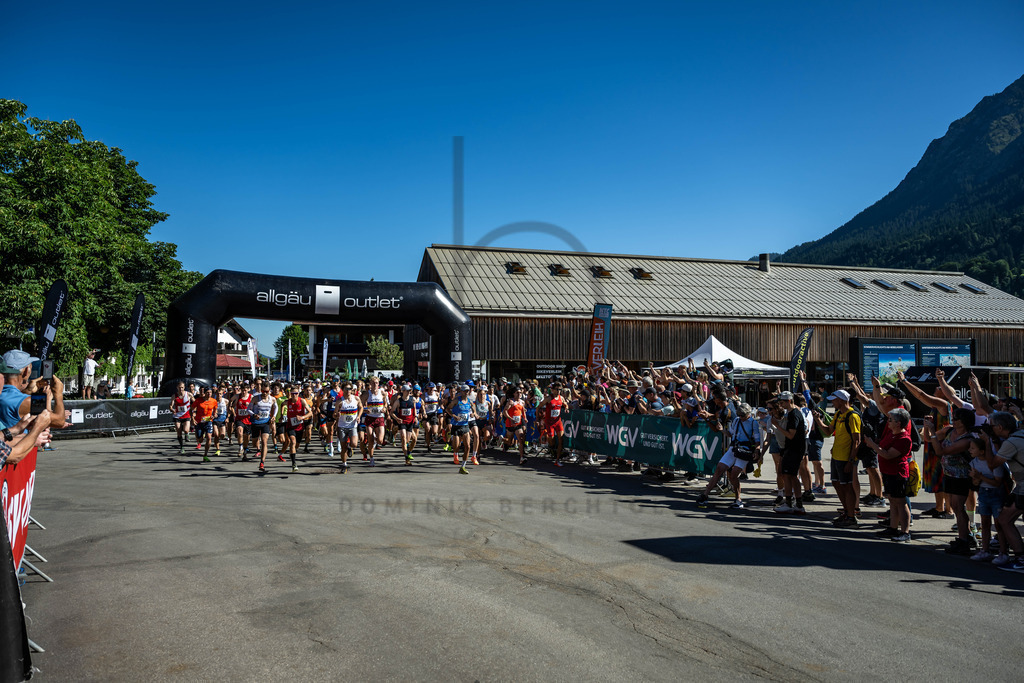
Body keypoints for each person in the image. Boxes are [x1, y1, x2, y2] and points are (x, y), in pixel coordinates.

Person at [923, 407, 978, 555]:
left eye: (956, 418)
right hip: (949, 474)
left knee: (959, 507)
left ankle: (964, 540)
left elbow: (940, 451)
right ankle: (964, 537)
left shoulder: (967, 439)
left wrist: (933, 431)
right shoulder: (949, 430)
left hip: (962, 476)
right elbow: (928, 439)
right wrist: (927, 427)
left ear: (964, 421)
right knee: (954, 505)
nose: (953, 419)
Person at [695, 403, 761, 509]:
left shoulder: (753, 423)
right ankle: (705, 495)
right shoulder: (736, 420)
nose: (741, 417)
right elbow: (730, 434)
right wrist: (722, 430)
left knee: (734, 475)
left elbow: (757, 441)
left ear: (749, 414)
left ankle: (738, 499)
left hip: (745, 451)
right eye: (740, 415)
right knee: (719, 469)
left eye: (743, 415)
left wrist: (757, 452)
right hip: (734, 448)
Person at [863, 408, 914, 542]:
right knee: (892, 500)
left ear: (898, 423)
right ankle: (893, 527)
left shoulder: (904, 438)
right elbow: (882, 447)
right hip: (888, 472)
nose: (888, 422)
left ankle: (905, 531)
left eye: (890, 419)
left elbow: (887, 454)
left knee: (901, 502)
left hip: (897, 473)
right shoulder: (891, 434)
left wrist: (872, 444)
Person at [813, 389, 861, 528]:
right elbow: (828, 431)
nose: (832, 402)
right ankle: (847, 512)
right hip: (836, 456)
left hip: (845, 458)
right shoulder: (839, 414)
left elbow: (856, 441)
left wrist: (851, 461)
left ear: (842, 400)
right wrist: (818, 420)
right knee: (836, 483)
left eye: (834, 399)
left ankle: (851, 517)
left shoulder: (852, 416)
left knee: (847, 486)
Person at [988, 411, 1024, 571]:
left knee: (1005, 520)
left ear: (1000, 427)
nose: (990, 429)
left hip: (1023, 488)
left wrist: (986, 441)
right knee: (1005, 518)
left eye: (992, 427)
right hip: (1020, 487)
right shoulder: (1021, 434)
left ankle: (1021, 558)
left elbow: (993, 464)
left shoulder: (1011, 443)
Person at [968, 437, 1005, 561]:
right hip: (983, 493)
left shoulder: (994, 463)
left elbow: (997, 483)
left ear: (982, 451)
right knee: (985, 522)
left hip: (996, 494)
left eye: (973, 448)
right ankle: (985, 549)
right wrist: (976, 479)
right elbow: (975, 482)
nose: (969, 450)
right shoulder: (974, 462)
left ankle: (1003, 551)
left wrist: (980, 477)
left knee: (999, 524)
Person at [771, 392, 807, 514]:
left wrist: (777, 426)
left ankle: (793, 503)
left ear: (789, 401)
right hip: (791, 448)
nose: (780, 405)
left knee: (790, 475)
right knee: (789, 475)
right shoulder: (791, 413)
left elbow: (791, 435)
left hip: (794, 448)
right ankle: (794, 502)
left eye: (782, 403)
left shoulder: (793, 414)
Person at [334, 382, 362, 472]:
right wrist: (336, 414)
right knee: (343, 447)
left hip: (352, 425)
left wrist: (358, 416)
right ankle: (344, 463)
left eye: (349, 389)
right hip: (342, 426)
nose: (348, 391)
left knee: (354, 444)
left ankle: (350, 448)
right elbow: (334, 413)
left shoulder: (356, 399)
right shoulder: (340, 401)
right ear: (343, 390)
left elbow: (361, 407)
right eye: (346, 389)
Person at [284, 387, 312, 472]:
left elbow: (310, 413)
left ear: (298, 394)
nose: (294, 395)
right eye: (292, 394)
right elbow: (281, 405)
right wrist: (282, 415)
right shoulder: (287, 402)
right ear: (290, 394)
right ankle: (294, 463)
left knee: (296, 445)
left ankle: (292, 453)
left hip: (300, 426)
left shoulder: (302, 401)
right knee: (292, 441)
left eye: (296, 393)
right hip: (290, 426)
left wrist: (302, 417)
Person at [391, 383, 418, 465]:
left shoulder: (412, 399)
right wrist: (397, 419)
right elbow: (391, 412)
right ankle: (406, 458)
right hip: (402, 422)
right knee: (403, 437)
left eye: (410, 391)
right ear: (403, 391)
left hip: (410, 422)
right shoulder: (398, 401)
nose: (409, 392)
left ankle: (409, 452)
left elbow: (414, 409)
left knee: (413, 439)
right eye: (407, 391)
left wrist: (416, 417)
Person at [192, 386, 219, 463]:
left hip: (208, 421)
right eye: (207, 392)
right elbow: (192, 409)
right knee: (200, 440)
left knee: (209, 437)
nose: (209, 394)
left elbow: (215, 410)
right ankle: (200, 436)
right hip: (199, 422)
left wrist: (215, 414)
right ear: (204, 393)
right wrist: (192, 419)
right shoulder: (198, 400)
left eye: (210, 392)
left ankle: (205, 455)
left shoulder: (214, 401)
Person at [168, 381, 193, 453]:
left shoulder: (188, 394)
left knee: (186, 430)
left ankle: (187, 434)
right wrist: (172, 409)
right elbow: (171, 406)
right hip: (177, 416)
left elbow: (195, 402)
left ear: (184, 387)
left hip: (186, 415)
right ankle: (182, 448)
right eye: (179, 387)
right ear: (177, 388)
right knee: (178, 432)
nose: (181, 389)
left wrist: (194, 410)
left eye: (182, 387)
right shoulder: (174, 396)